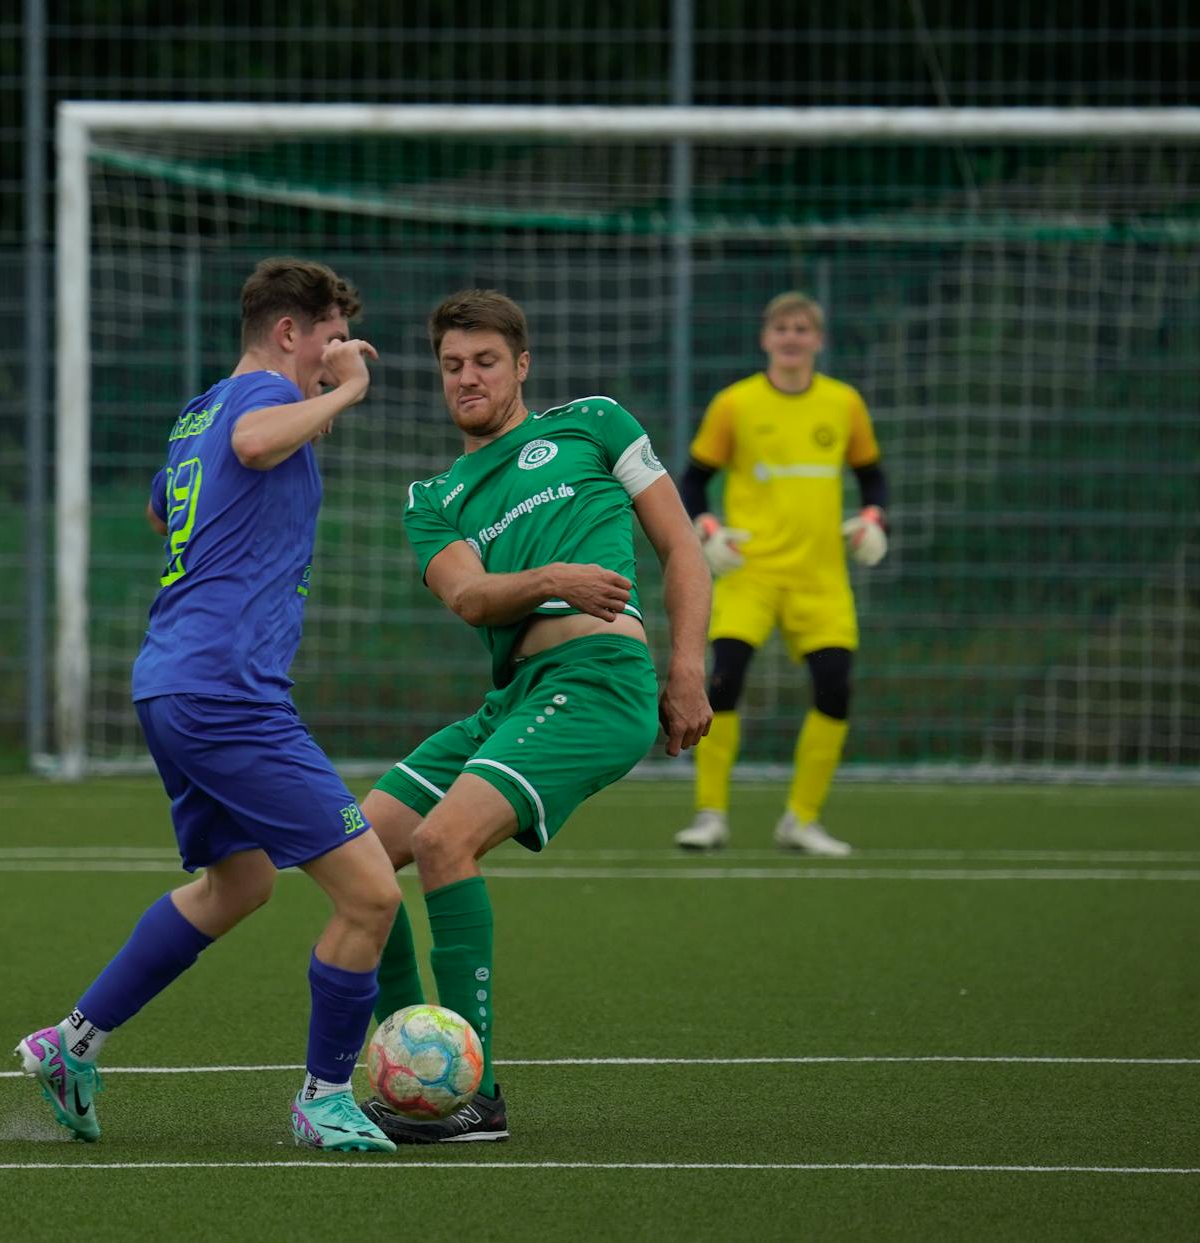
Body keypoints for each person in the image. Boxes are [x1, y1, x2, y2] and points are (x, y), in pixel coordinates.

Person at [14, 257, 403, 1153]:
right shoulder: (252, 410)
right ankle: (325, 1098)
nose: (340, 354)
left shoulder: (201, 410)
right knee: (373, 893)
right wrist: (346, 394)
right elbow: (258, 446)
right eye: (331, 336)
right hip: (228, 691)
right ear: (287, 333)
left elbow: (166, 509)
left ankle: (71, 1043)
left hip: (173, 681)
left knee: (240, 882)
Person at [354, 289, 713, 1143]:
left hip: (596, 681)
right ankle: (425, 1069)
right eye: (451, 365)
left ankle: (475, 1097)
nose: (467, 378)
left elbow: (682, 547)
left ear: (521, 364)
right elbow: (472, 598)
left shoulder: (595, 423)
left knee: (442, 842)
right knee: (356, 855)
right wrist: (556, 577)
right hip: (514, 695)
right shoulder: (432, 496)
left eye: (484, 361)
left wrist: (689, 667)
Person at [674, 291, 889, 857]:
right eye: (782, 328)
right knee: (723, 681)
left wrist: (872, 520)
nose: (792, 338)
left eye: (802, 329)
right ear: (766, 338)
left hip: (821, 579)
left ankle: (802, 819)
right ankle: (710, 814)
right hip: (751, 574)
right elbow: (692, 480)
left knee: (835, 688)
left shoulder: (844, 404)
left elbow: (873, 477)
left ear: (818, 340)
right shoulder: (735, 405)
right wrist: (708, 531)